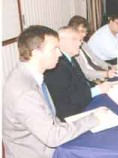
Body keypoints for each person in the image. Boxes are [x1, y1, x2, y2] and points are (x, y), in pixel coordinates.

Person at [3, 25, 107, 158]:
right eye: (54, 49)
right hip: (40, 152)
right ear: (36, 53)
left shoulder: (29, 74)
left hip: (47, 142)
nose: (59, 53)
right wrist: (93, 118)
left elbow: (50, 117)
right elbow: (53, 137)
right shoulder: (25, 92)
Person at [44, 26, 111, 121]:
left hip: (85, 101)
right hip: (75, 113)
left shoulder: (70, 58)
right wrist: (97, 90)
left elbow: (82, 81)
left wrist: (99, 86)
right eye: (76, 40)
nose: (80, 43)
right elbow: (69, 99)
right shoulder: (57, 66)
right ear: (63, 42)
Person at [68, 15, 117, 81]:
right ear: (72, 31)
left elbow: (95, 59)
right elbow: (85, 73)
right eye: (82, 31)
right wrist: (106, 74)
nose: (85, 34)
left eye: (85, 32)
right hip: (93, 79)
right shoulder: (72, 50)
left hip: (101, 73)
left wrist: (110, 66)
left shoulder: (84, 44)